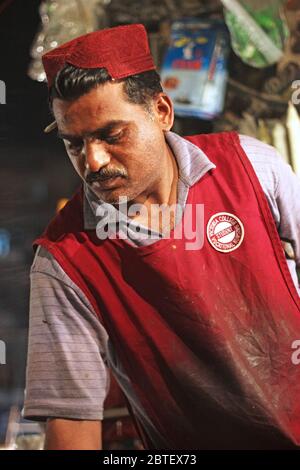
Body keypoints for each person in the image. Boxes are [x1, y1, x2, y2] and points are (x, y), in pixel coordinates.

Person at [23, 24, 300, 450]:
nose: (93, 161)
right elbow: (70, 418)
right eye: (74, 144)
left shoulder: (253, 167)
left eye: (111, 135)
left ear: (162, 111)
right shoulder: (64, 261)